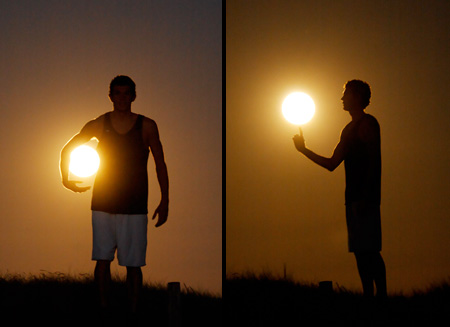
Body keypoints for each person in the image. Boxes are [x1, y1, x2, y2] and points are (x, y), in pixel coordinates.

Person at [60, 75, 169, 316]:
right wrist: (65, 179)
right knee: (102, 259)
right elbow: (69, 147)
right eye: (117, 93)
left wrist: (165, 199)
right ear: (110, 96)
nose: (122, 97)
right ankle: (103, 307)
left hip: (135, 204)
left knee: (134, 264)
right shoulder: (101, 123)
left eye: (126, 93)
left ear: (133, 96)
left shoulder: (147, 125)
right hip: (103, 203)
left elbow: (160, 162)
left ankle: (133, 312)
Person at [292, 80, 387, 299]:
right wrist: (303, 150)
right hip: (352, 198)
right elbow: (332, 163)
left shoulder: (368, 123)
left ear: (357, 96)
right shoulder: (348, 130)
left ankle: (381, 296)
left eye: (345, 94)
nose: (342, 98)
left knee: (370, 250)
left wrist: (366, 196)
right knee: (360, 252)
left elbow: (374, 162)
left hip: (366, 198)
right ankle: (368, 296)